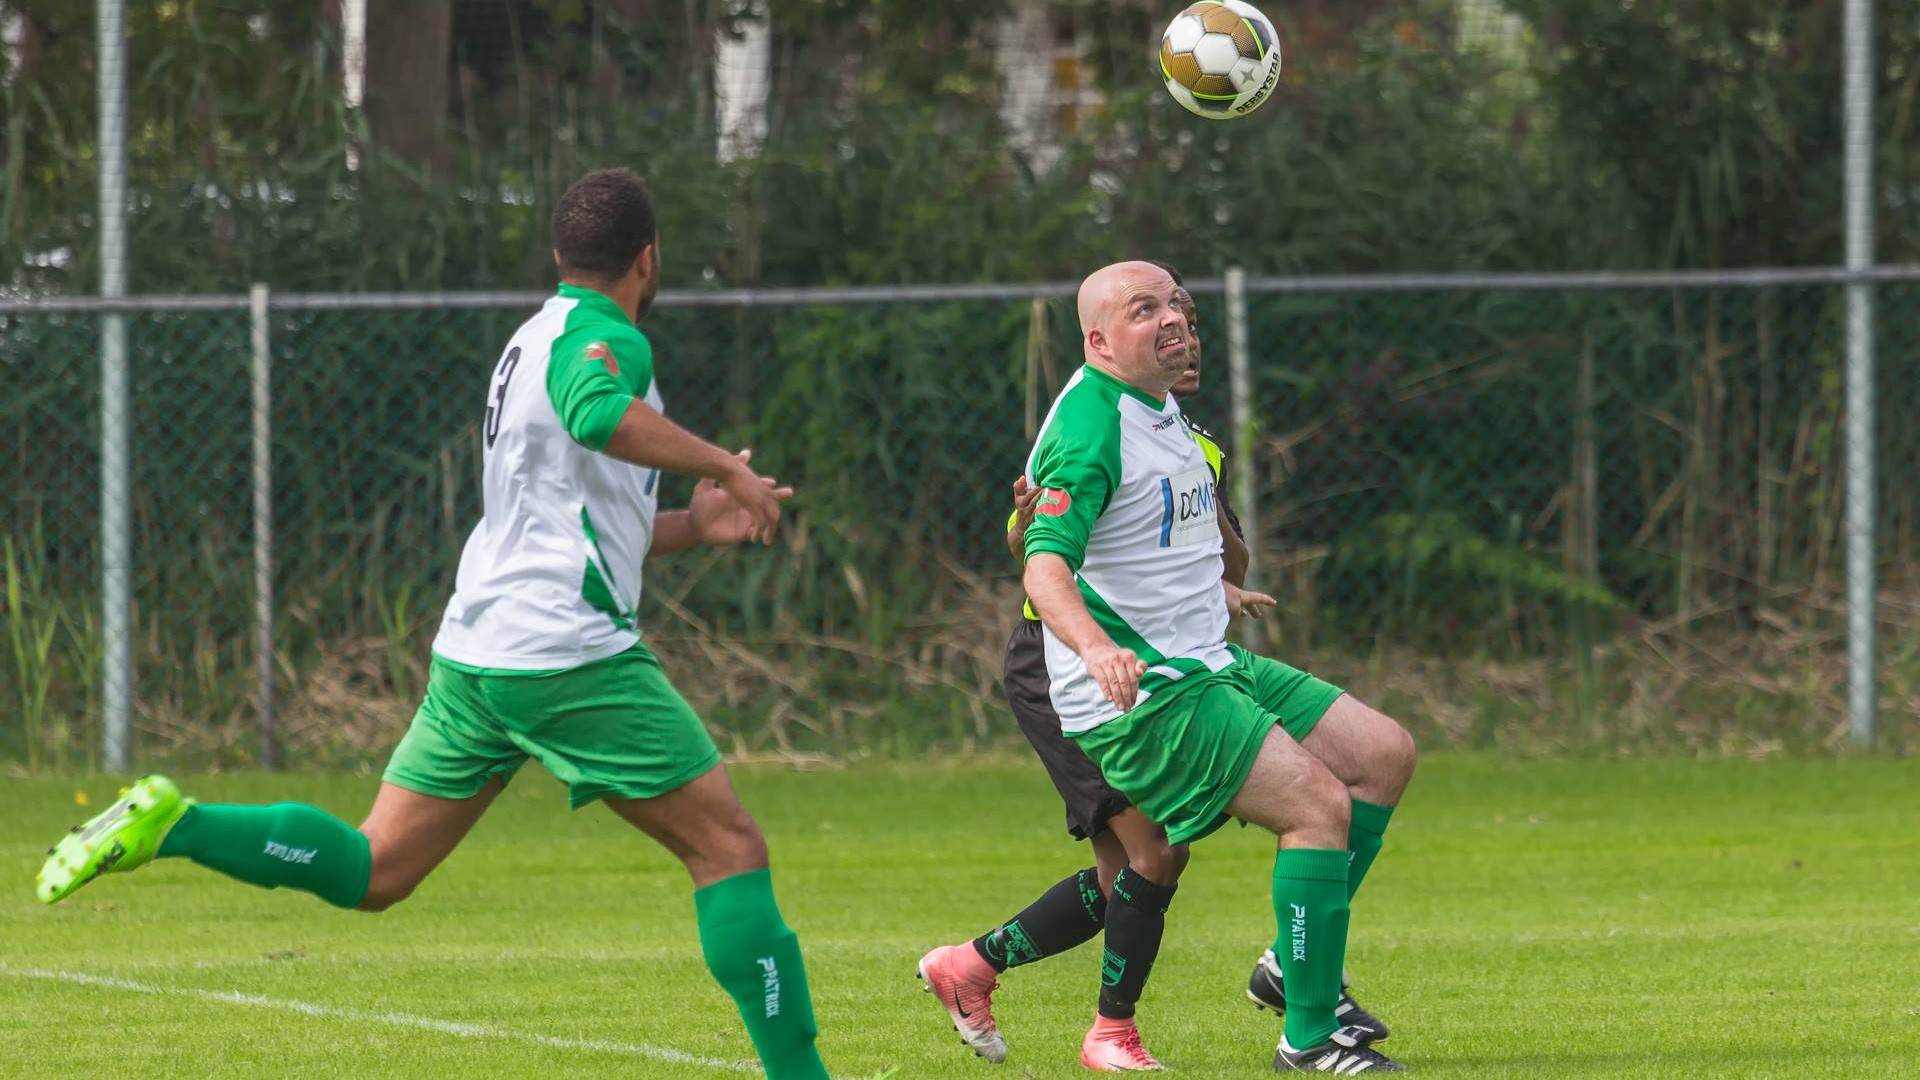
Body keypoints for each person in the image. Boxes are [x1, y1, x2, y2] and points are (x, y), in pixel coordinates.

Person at [36, 168, 837, 1080]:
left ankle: (175, 824)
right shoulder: (609, 339)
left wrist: (696, 523)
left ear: (558, 253)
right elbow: (595, 412)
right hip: (566, 655)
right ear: (649, 259)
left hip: (479, 652)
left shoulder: (530, 340)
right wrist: (727, 467)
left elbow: (569, 521)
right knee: (728, 848)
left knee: (375, 870)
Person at [1019, 260, 1417, 1073]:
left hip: (1206, 660)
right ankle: (1310, 1038)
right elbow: (1043, 566)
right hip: (1149, 691)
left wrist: (1220, 586)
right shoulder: (1091, 426)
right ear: (1098, 340)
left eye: (1176, 305)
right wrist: (1096, 647)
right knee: (1316, 807)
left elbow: (1151, 541)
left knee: (1383, 754)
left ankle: (1292, 968)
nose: (1172, 320)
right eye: (1144, 310)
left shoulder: (1161, 408)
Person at [917, 265, 1258, 1071]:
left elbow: (1225, 558)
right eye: (1159, 318)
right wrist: (1028, 526)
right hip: (1062, 663)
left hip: (1139, 664)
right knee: (1155, 854)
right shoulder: (1094, 420)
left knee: (1128, 873)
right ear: (1108, 341)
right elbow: (1031, 546)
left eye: (1187, 321)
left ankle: (970, 968)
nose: (1181, 335)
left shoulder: (1188, 441)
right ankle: (1110, 1033)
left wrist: (1215, 555)